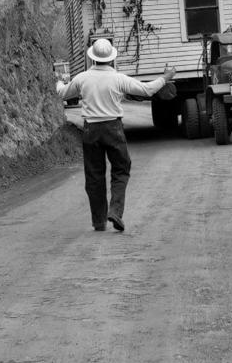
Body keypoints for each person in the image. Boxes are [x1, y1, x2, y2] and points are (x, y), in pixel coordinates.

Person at [56, 38, 176, 232]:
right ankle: (115, 211)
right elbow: (147, 90)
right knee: (121, 169)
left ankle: (98, 221)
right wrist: (166, 77)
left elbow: (63, 93)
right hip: (113, 128)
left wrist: (57, 82)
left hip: (90, 130)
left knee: (94, 176)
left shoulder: (82, 78)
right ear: (112, 58)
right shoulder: (118, 78)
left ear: (92, 58)